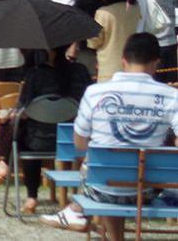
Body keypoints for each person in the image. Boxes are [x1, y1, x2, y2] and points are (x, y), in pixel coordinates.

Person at [41, 33, 178, 238]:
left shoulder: (95, 92)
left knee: (105, 173)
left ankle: (77, 212)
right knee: (128, 174)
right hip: (146, 192)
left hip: (100, 188)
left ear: (123, 60)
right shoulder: (171, 96)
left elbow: (79, 143)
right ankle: (80, 214)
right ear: (156, 62)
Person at [0, 46, 92, 214]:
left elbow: (23, 111)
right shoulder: (81, 72)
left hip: (39, 142)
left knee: (23, 128)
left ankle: (29, 194)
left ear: (49, 50)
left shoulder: (35, 74)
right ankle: (5, 164)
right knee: (28, 127)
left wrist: (10, 116)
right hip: (74, 142)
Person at [88, 0, 141, 82]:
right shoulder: (136, 9)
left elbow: (93, 42)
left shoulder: (103, 12)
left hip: (109, 68)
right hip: (133, 65)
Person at [137, 0, 177, 82]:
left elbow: (142, 12)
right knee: (172, 82)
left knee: (158, 81)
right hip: (171, 40)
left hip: (158, 41)